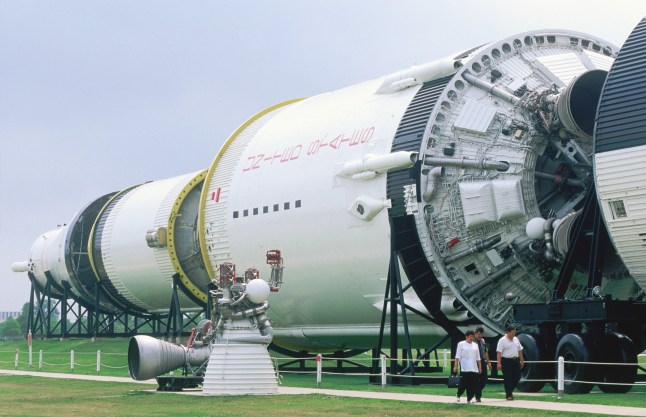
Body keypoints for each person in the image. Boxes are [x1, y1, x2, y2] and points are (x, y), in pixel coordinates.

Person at [496, 325, 525, 400]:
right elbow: (499, 352)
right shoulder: (502, 340)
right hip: (506, 360)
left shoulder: (516, 339)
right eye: (512, 332)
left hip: (515, 360)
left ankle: (509, 391)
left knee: (517, 377)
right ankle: (509, 395)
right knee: (508, 378)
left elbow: (520, 350)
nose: (514, 334)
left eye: (514, 332)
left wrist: (522, 360)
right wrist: (499, 363)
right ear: (507, 332)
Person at [453, 330, 482, 403]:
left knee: (473, 384)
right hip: (465, 368)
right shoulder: (461, 344)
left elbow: (478, 357)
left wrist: (480, 367)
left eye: (472, 336)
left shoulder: (475, 345)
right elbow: (457, 356)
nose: (471, 338)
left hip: (474, 368)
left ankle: (469, 398)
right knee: (464, 384)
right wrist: (455, 366)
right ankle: (458, 394)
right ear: (466, 337)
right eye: (470, 336)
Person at [474, 326, 491, 402]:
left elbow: (485, 352)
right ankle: (478, 396)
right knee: (476, 379)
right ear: (475, 334)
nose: (479, 336)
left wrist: (488, 362)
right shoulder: (472, 342)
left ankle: (476, 391)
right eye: (478, 334)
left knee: (484, 379)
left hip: (482, 360)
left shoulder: (482, 341)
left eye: (481, 334)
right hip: (475, 362)